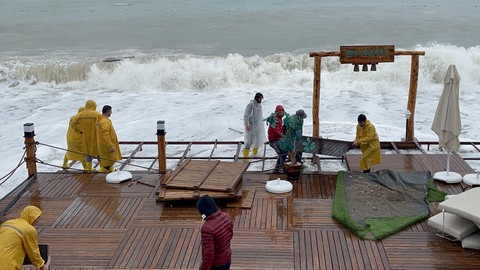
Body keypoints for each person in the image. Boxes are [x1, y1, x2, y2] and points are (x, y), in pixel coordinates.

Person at [0, 206, 48, 270]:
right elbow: (33, 250)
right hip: (7, 264)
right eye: (37, 218)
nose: (37, 221)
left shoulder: (8, 223)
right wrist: (42, 265)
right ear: (31, 216)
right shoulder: (28, 229)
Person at [196, 195, 233, 270]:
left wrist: (203, 268)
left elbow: (209, 253)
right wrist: (205, 218)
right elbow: (230, 236)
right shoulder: (227, 217)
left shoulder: (207, 229)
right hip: (227, 258)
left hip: (216, 265)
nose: (201, 215)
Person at [71, 100, 101, 171]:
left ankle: (89, 169)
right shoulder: (97, 114)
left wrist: (79, 131)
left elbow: (73, 123)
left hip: (85, 137)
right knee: (99, 153)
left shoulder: (80, 114)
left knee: (88, 153)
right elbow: (102, 124)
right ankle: (102, 168)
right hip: (95, 136)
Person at [96, 105, 122, 173]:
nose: (111, 112)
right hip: (106, 145)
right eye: (110, 111)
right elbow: (105, 135)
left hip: (102, 144)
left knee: (107, 161)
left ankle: (110, 171)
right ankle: (105, 173)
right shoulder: (105, 121)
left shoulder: (99, 120)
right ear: (107, 111)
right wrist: (110, 145)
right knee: (108, 161)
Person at [243, 93, 266, 157]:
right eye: (260, 98)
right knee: (249, 141)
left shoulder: (259, 105)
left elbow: (259, 116)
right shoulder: (251, 105)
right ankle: (245, 156)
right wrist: (247, 124)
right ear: (256, 98)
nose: (261, 100)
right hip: (251, 126)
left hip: (258, 126)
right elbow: (246, 115)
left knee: (257, 141)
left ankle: (255, 155)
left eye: (261, 98)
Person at [266, 105, 288, 173]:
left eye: (283, 112)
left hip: (278, 139)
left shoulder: (280, 118)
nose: (282, 113)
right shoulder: (275, 120)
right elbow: (276, 131)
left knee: (283, 153)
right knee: (282, 153)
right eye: (281, 112)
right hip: (273, 140)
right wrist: (283, 136)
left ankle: (277, 169)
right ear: (277, 112)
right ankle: (282, 169)